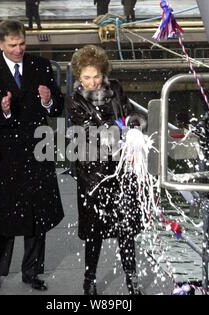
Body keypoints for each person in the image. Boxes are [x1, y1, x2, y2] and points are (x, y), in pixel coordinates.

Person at [0, 19, 64, 292]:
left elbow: (58, 108)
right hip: (4, 155)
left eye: (22, 43)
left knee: (36, 215)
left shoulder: (41, 66)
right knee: (1, 215)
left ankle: (32, 272)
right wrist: (3, 109)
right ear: (0, 44)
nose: (18, 49)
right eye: (13, 45)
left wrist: (48, 100)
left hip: (38, 151)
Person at [67, 45, 145, 295]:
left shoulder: (116, 89)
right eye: (86, 77)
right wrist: (119, 130)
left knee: (126, 230)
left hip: (120, 171)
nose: (92, 82)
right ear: (79, 77)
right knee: (94, 233)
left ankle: (132, 281)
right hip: (92, 174)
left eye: (97, 76)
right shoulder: (73, 101)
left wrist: (133, 126)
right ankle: (89, 281)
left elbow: (130, 114)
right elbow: (89, 132)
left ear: (104, 74)